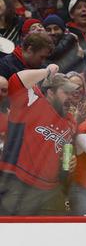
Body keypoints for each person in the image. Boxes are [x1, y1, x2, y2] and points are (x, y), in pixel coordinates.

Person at [0, 65, 78, 215]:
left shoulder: (70, 121)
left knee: (60, 233)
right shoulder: (32, 102)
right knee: (14, 235)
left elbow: (62, 155)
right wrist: (47, 71)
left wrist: (70, 161)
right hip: (18, 183)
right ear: (50, 92)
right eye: (65, 92)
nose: (70, 97)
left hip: (51, 189)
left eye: (72, 93)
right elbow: (16, 80)